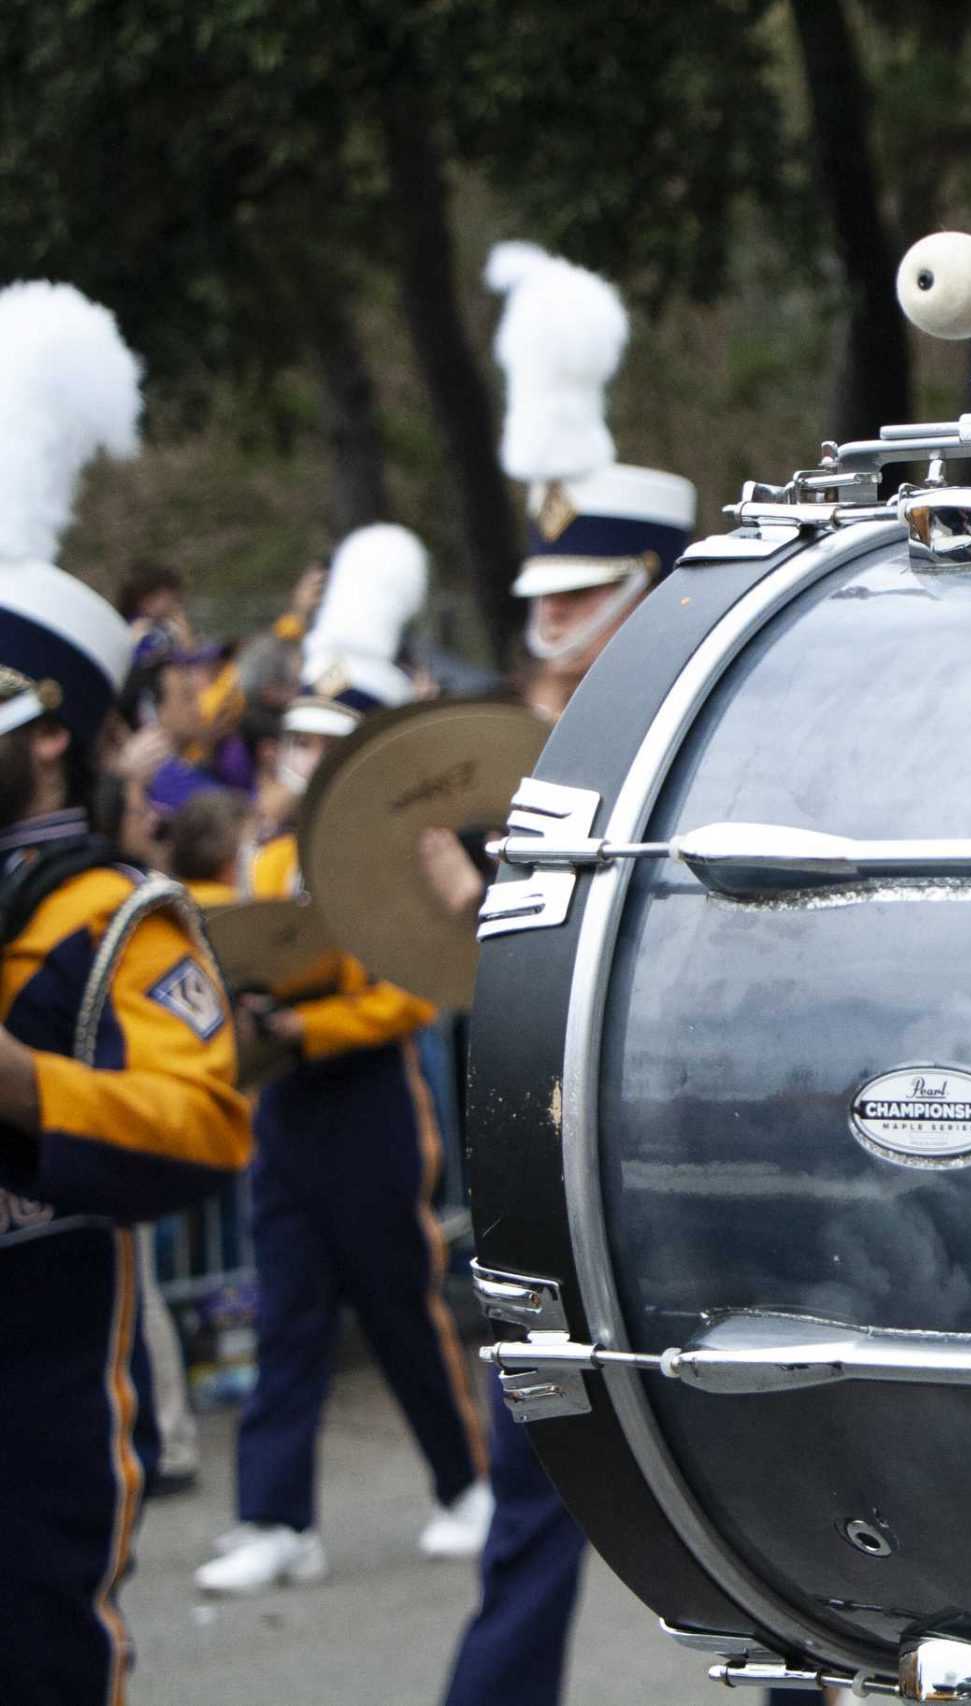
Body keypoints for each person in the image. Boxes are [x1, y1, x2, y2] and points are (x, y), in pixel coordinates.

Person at [439, 239, 699, 1706]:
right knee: (538, 1483)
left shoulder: (728, 736)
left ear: (645, 584)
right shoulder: (508, 765)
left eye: (579, 596)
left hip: (698, 1169)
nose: (548, 629)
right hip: (551, 1181)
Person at [0, 279, 253, 1705]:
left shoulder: (113, 919)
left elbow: (204, 1124)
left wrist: (19, 1081)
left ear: (49, 739)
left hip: (31, 1391)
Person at [193, 522, 493, 1595]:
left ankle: (465, 1482)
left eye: (320, 745)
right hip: (285, 1109)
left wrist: (309, 1023)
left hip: (368, 1101)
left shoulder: (387, 861)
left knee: (401, 1301)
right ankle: (276, 1516)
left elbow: (403, 999)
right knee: (286, 1310)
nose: (297, 758)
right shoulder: (266, 850)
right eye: (295, 742)